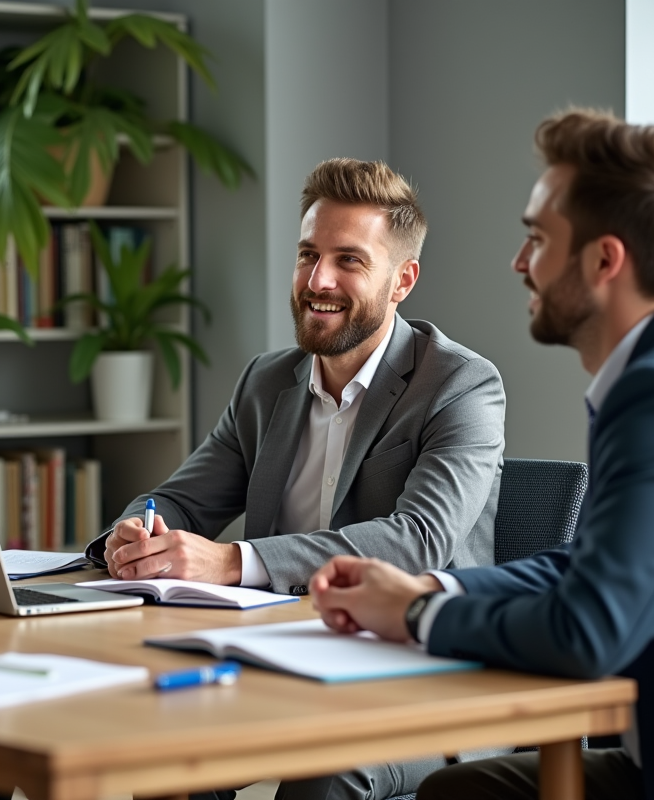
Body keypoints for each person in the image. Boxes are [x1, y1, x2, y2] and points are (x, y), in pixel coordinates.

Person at [311, 110, 654, 800]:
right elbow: (592, 569)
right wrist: (431, 588)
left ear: (604, 259)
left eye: (536, 239)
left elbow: (587, 630)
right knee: (463, 792)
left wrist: (412, 617)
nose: (519, 262)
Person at [90, 158, 507, 800]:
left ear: (403, 281)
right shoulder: (267, 380)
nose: (319, 280)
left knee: (324, 771)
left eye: (350, 260)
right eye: (308, 254)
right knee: (161, 750)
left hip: (426, 679)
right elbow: (180, 498)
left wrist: (233, 560)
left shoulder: (461, 385)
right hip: (281, 660)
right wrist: (135, 528)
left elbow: (418, 539)